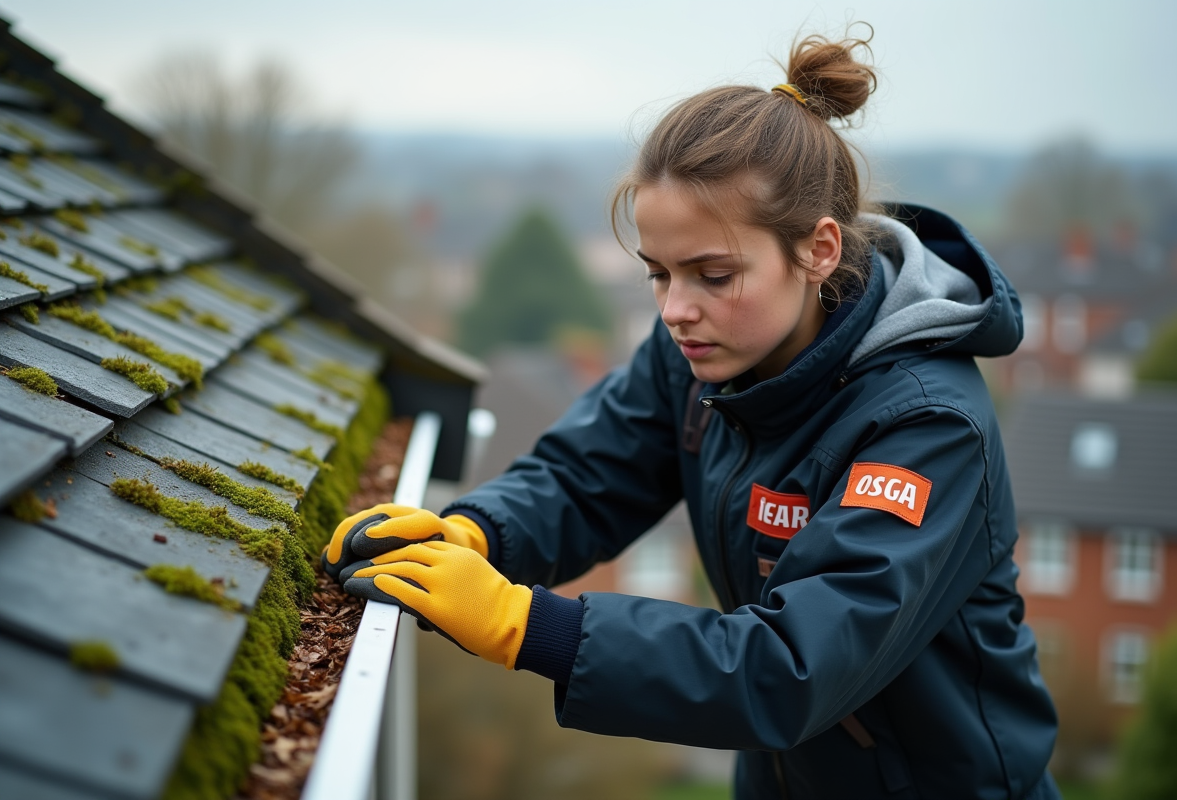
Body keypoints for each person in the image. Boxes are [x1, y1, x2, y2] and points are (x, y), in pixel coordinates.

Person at [324, 29, 1060, 800]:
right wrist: (477, 532)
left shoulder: (927, 428)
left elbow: (788, 669)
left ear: (817, 250)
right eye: (658, 273)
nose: (677, 310)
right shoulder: (706, 349)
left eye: (713, 274)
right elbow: (587, 475)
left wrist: (525, 624)